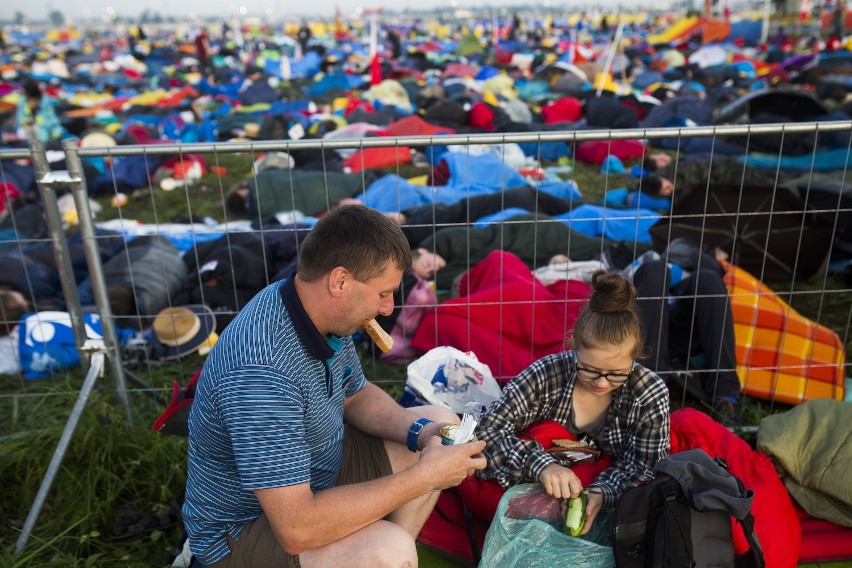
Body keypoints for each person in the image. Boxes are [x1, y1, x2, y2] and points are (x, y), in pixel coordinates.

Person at [182, 204, 487, 567]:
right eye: (383, 293)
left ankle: (370, 549)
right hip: (246, 530)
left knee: (434, 422)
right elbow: (296, 529)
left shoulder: (315, 309)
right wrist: (424, 478)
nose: (389, 308)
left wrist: (424, 433)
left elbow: (354, 395)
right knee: (388, 550)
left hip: (316, 473)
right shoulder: (263, 374)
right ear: (340, 281)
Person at [476, 270, 669, 535]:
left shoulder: (649, 392)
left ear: (635, 360)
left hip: (607, 483)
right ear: (573, 347)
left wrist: (603, 492)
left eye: (616, 374)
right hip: (542, 472)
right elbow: (486, 431)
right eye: (588, 369)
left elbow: (646, 467)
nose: (601, 382)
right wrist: (542, 465)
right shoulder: (547, 373)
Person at [625, 239, 742, 424]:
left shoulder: (706, 272)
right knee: (654, 269)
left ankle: (726, 396)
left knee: (709, 280)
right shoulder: (649, 260)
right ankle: (649, 389)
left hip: (685, 329)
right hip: (645, 326)